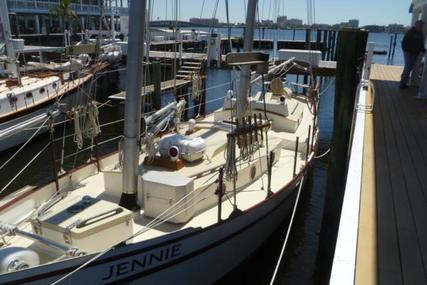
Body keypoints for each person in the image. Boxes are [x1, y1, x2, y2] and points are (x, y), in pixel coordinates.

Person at [400, 20, 426, 89]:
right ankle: (402, 84)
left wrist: (424, 50)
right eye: (420, 24)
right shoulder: (410, 32)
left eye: (422, 25)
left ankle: (404, 82)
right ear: (416, 24)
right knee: (408, 67)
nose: (421, 26)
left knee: (410, 68)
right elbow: (403, 42)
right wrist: (405, 50)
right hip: (408, 52)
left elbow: (421, 45)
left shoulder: (421, 34)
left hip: (415, 54)